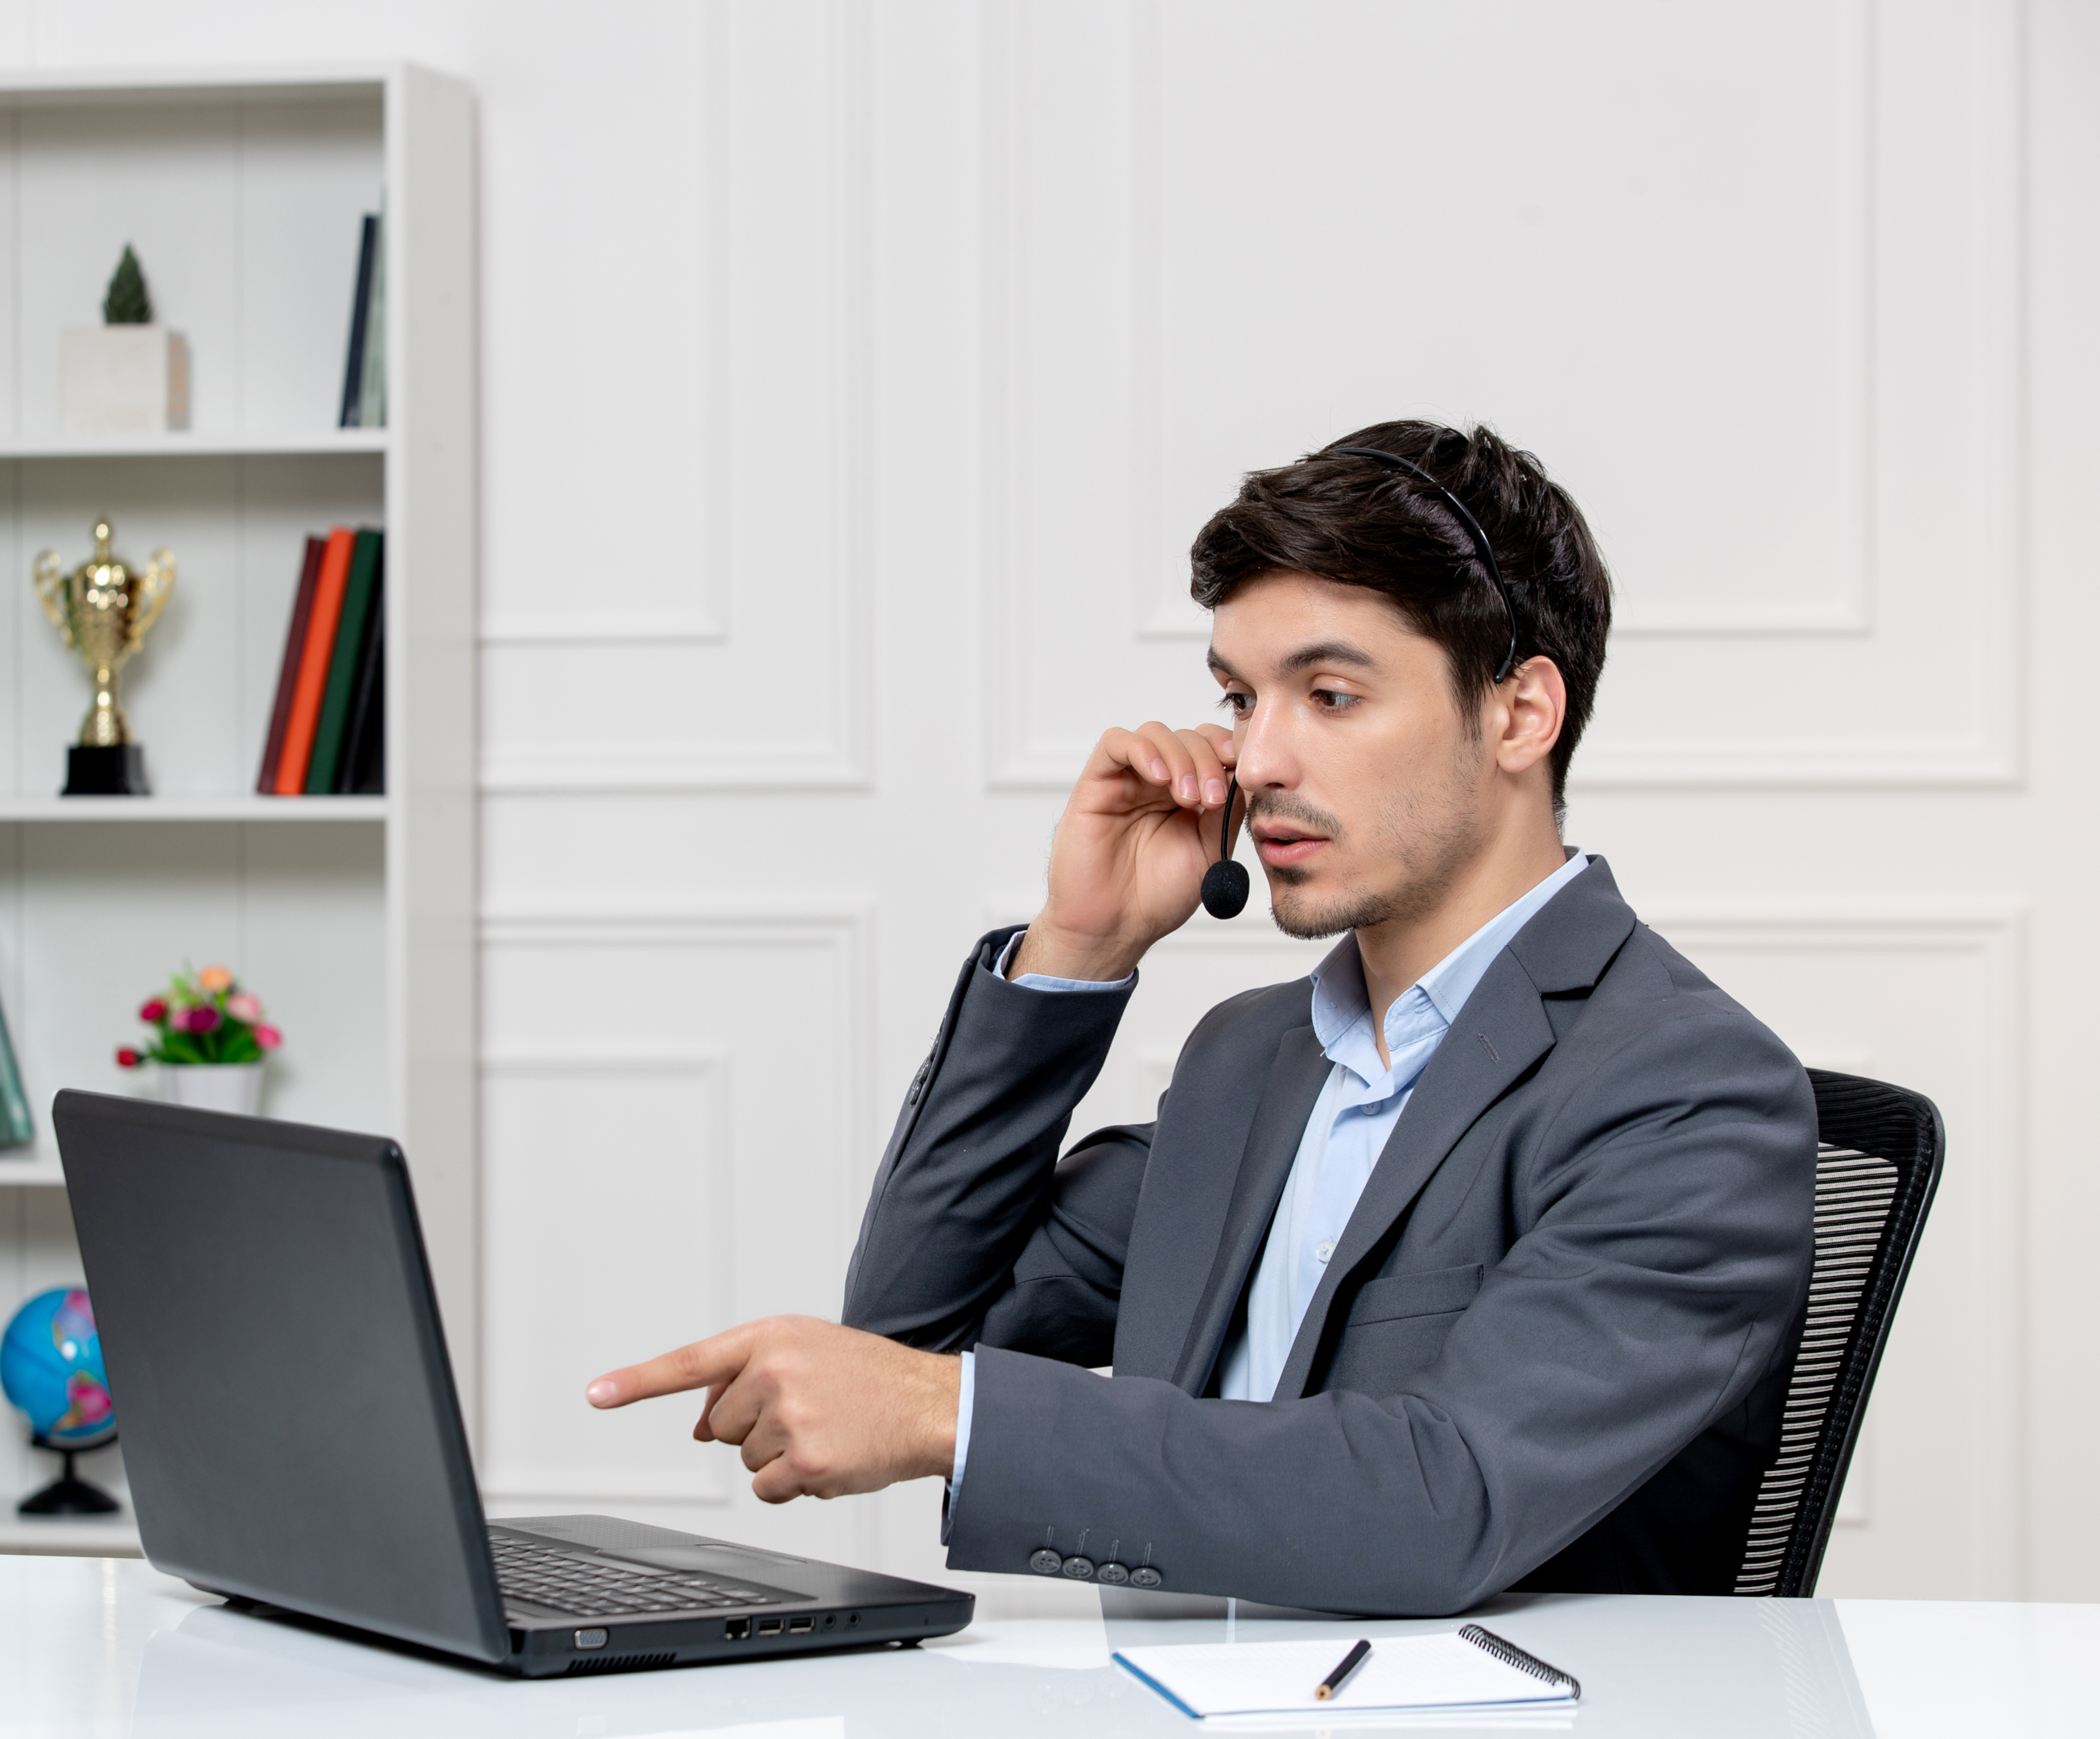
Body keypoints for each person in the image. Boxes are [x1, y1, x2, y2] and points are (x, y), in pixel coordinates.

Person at [585, 422, 1817, 1615]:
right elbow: (921, 1334)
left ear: (1518, 715)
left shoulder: (1692, 1090)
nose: (1257, 760)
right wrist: (1080, 953)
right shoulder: (1255, 1057)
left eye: (1329, 695)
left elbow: (1444, 1499)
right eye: (1239, 698)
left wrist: (946, 1415)